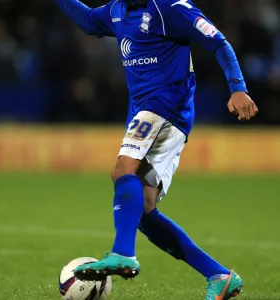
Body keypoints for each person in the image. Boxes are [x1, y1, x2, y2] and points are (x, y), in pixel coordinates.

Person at [53, 0, 258, 298]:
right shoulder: (117, 10)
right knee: (145, 211)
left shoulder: (172, 7)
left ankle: (123, 253)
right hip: (145, 110)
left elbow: (218, 42)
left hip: (167, 106)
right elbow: (87, 20)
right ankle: (220, 275)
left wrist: (237, 86)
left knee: (123, 169)